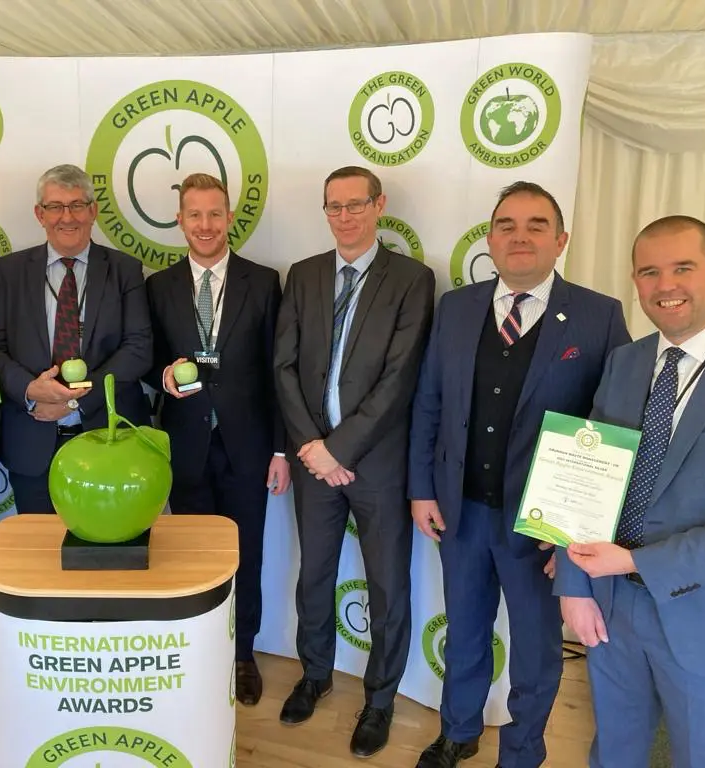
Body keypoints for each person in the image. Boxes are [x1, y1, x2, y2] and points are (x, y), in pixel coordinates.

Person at [408, 181, 630, 768]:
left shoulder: (598, 316)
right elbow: (429, 401)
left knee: (535, 650)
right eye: (506, 224)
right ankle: (458, 731)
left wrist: (580, 531)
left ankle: (523, 752)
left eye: (536, 225)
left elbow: (616, 429)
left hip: (543, 528)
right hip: (460, 512)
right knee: (465, 631)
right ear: (490, 238)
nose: (520, 236)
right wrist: (421, 488)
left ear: (561, 239)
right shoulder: (457, 307)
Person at [273, 165, 435, 757]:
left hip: (377, 463)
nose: (344, 216)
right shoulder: (305, 274)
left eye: (354, 205)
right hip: (314, 459)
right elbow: (284, 366)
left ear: (378, 206)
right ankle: (314, 674)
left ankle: (381, 699)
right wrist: (314, 448)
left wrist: (340, 449)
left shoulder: (412, 279)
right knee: (313, 573)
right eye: (333, 207)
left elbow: (400, 378)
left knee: (387, 584)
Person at [556, 215, 705, 768]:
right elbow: (584, 479)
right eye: (650, 272)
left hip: (702, 611)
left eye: (683, 268)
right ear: (634, 281)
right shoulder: (624, 363)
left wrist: (637, 560)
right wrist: (573, 587)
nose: (665, 285)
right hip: (611, 606)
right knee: (616, 751)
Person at [145, 173, 289, 705]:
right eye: (194, 215)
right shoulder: (156, 286)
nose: (204, 225)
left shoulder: (265, 281)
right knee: (188, 555)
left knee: (244, 553)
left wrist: (279, 448)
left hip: (247, 447)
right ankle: (200, 648)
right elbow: (148, 356)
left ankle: (242, 654)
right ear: (179, 220)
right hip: (184, 446)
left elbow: (279, 372)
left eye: (214, 214)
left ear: (230, 218)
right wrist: (162, 377)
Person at [0, 163, 153, 513]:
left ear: (93, 211)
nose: (67, 217)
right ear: (39, 214)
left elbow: (138, 348)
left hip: (112, 437)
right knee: (41, 558)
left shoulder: (125, 269)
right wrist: (31, 391)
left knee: (112, 556)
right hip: (31, 442)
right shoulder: (9, 272)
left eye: (77, 205)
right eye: (55, 207)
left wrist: (75, 400)